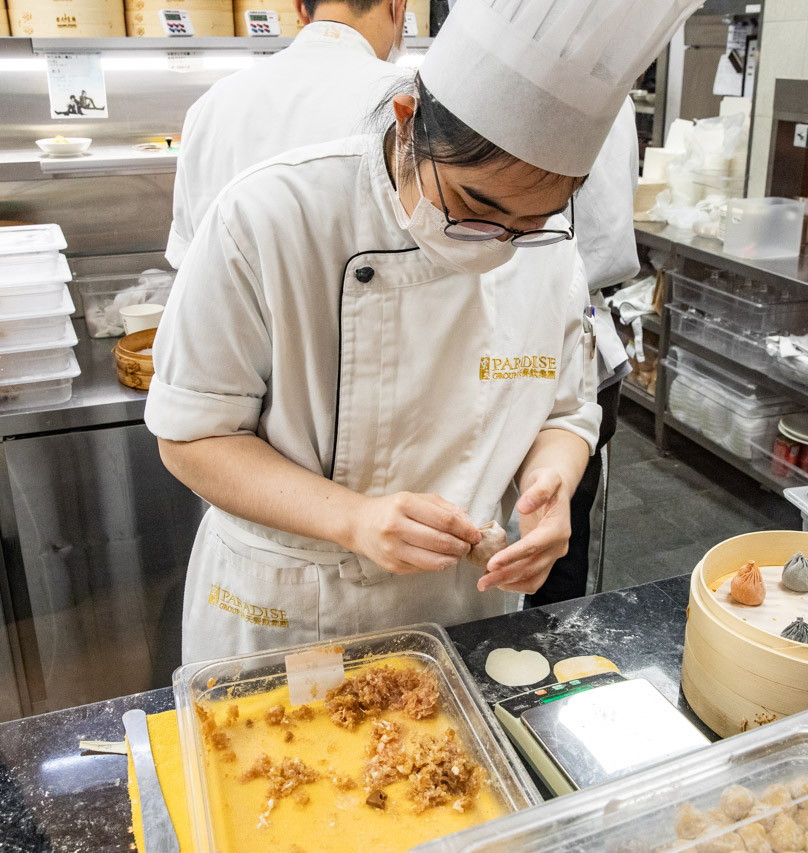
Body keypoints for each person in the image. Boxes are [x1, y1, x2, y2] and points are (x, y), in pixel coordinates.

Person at [145, 0, 697, 664]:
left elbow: (566, 406)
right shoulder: (269, 218)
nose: (501, 247)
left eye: (533, 221)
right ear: (407, 125)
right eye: (476, 208)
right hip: (294, 615)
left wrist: (549, 483)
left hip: (462, 614)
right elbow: (192, 438)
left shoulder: (548, 249)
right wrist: (354, 519)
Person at [166, 0, 410, 268]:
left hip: (231, 307)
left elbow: (188, 262)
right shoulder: (410, 100)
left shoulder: (210, 104)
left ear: (300, 8)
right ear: (397, 6)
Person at [527, 99, 640, 608]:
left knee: (556, 523)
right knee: (557, 525)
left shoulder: (606, 101)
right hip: (589, 331)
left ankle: (553, 643)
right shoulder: (620, 101)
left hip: (578, 331)